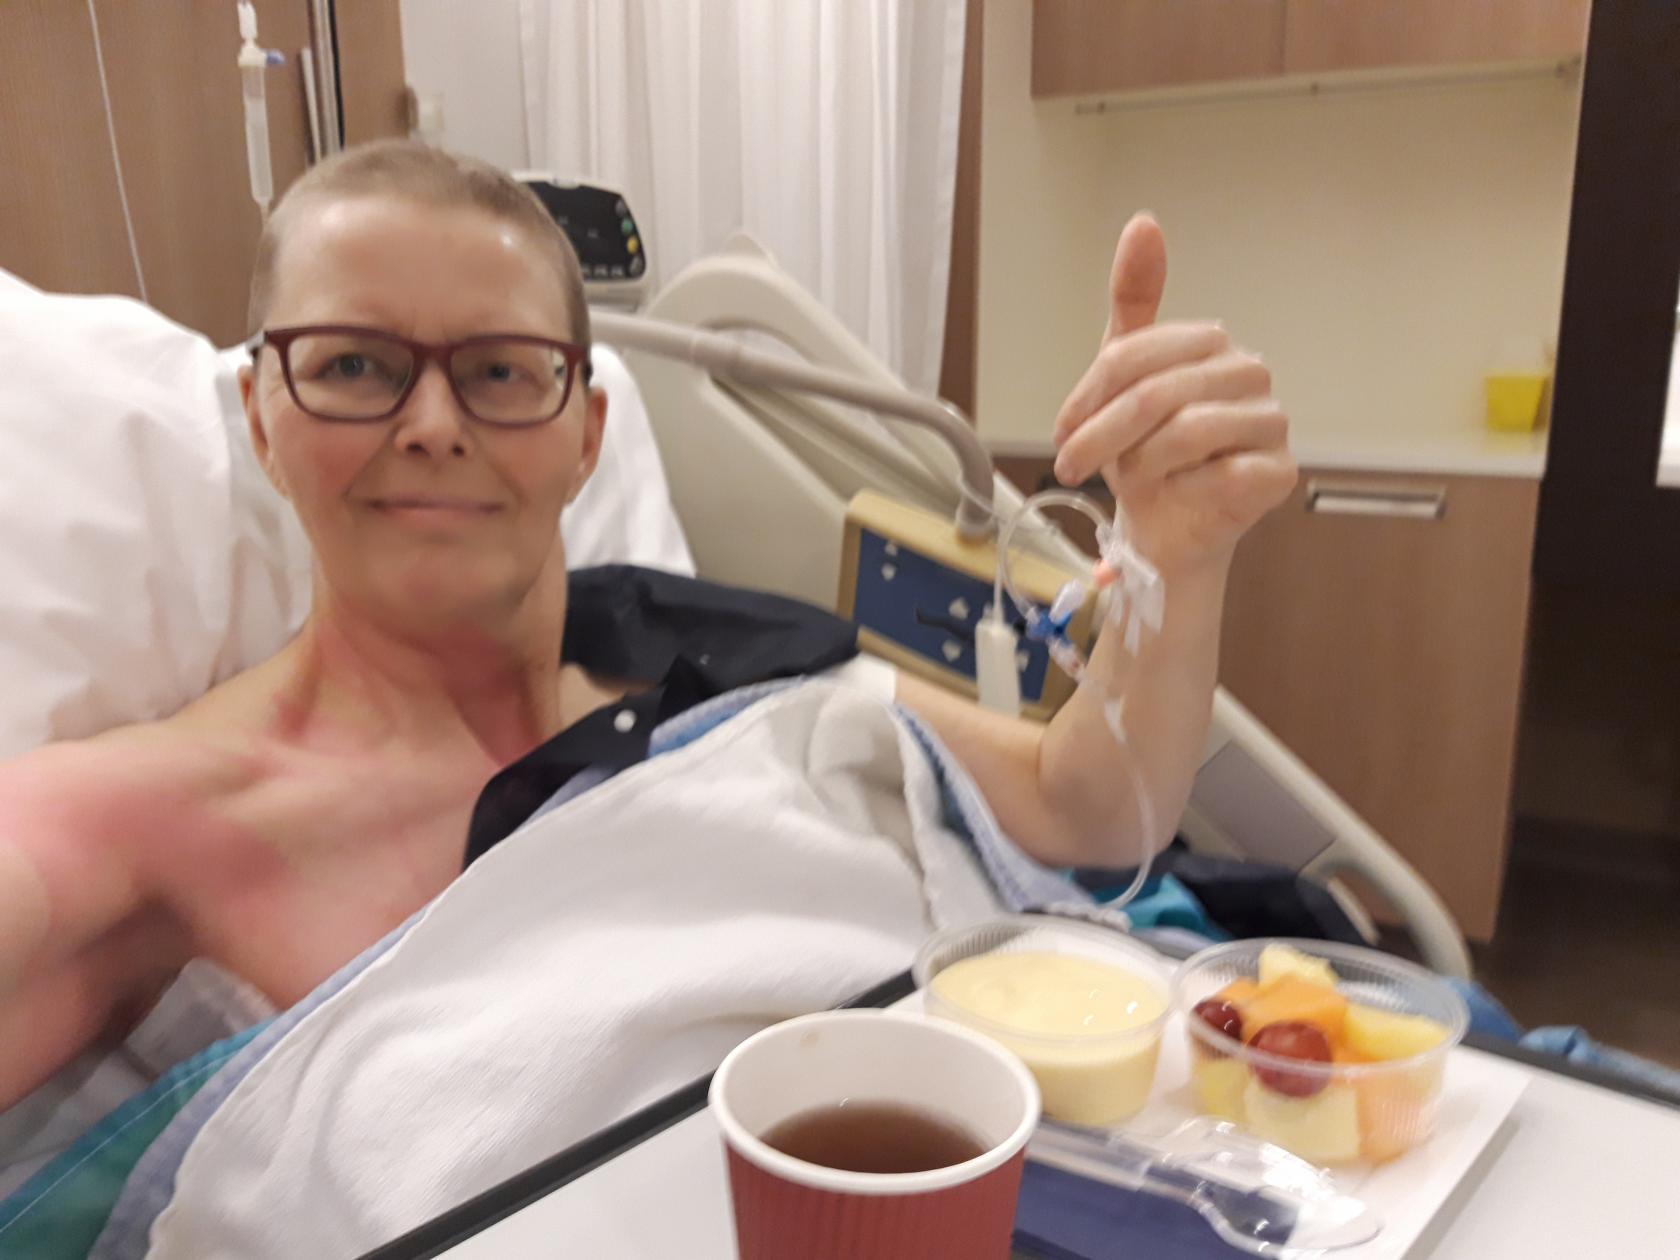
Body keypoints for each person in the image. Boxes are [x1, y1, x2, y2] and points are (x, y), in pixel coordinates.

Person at [0, 142, 1294, 1110]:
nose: (433, 424)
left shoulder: (706, 665)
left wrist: (1176, 560)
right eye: (354, 365)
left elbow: (1089, 807)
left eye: (499, 372)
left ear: (587, 434)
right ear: (262, 418)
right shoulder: (159, 815)